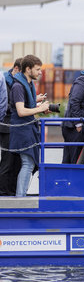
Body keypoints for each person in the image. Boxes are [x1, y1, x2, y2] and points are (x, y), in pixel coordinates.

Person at [9, 55, 52, 197]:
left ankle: (20, 195)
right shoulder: (18, 86)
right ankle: (20, 198)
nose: (40, 72)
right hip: (22, 130)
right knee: (27, 164)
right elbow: (21, 111)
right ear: (28, 69)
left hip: (27, 129)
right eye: (38, 69)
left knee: (28, 164)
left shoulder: (27, 84)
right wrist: (39, 109)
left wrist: (40, 106)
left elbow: (27, 107)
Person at [0, 58, 22, 196]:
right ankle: (3, 191)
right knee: (7, 162)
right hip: (6, 126)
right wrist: (21, 106)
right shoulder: (7, 82)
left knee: (16, 161)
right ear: (16, 69)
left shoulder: (13, 82)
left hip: (14, 126)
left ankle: (11, 190)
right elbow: (5, 105)